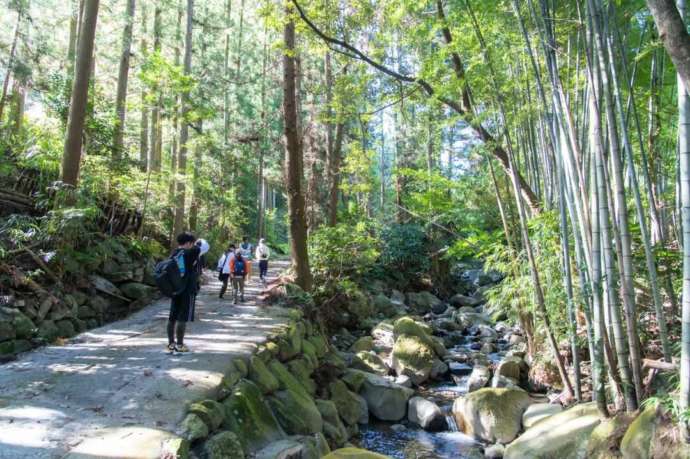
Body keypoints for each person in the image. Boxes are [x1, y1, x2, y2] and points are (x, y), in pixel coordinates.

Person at [167, 232, 209, 353]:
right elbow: (205, 246)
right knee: (182, 318)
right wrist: (197, 243)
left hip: (175, 290)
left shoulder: (174, 253)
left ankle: (170, 344)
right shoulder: (191, 252)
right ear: (189, 243)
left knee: (172, 317)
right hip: (187, 290)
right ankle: (180, 345)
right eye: (192, 243)